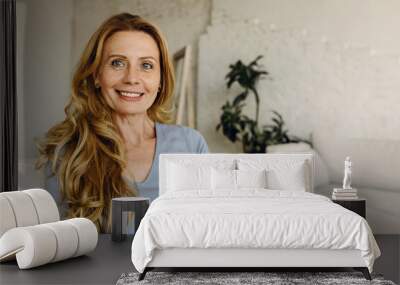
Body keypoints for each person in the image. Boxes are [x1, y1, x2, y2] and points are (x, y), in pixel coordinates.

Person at [36, 13, 208, 233]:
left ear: (161, 80)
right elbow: (55, 244)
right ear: (96, 74)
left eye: (146, 65)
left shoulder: (191, 146)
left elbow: (206, 233)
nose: (132, 78)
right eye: (117, 63)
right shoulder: (67, 152)